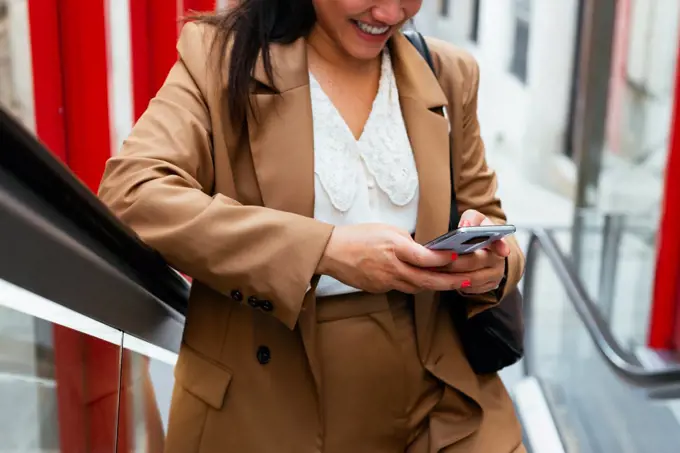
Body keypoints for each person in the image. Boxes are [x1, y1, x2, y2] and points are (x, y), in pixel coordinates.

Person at [98, 1, 526, 452]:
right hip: (266, 399)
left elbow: (490, 217)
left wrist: (492, 269)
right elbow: (134, 193)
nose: (388, 12)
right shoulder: (221, 58)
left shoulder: (445, 71)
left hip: (441, 406)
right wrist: (324, 250)